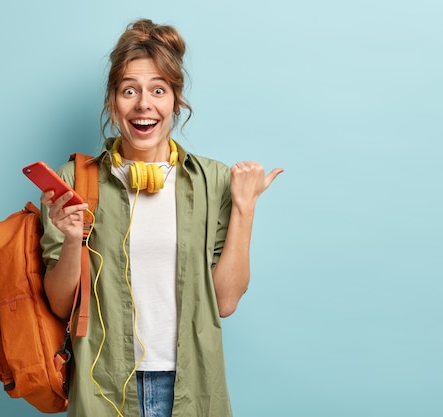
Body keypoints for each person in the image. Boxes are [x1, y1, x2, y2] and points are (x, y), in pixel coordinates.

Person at [40, 18, 283, 417]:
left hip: (192, 384)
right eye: (128, 90)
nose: (143, 105)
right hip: (104, 386)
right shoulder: (73, 181)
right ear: (112, 101)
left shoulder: (213, 181)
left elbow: (225, 301)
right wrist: (71, 238)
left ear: (175, 99)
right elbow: (61, 304)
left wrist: (244, 206)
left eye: (158, 90)